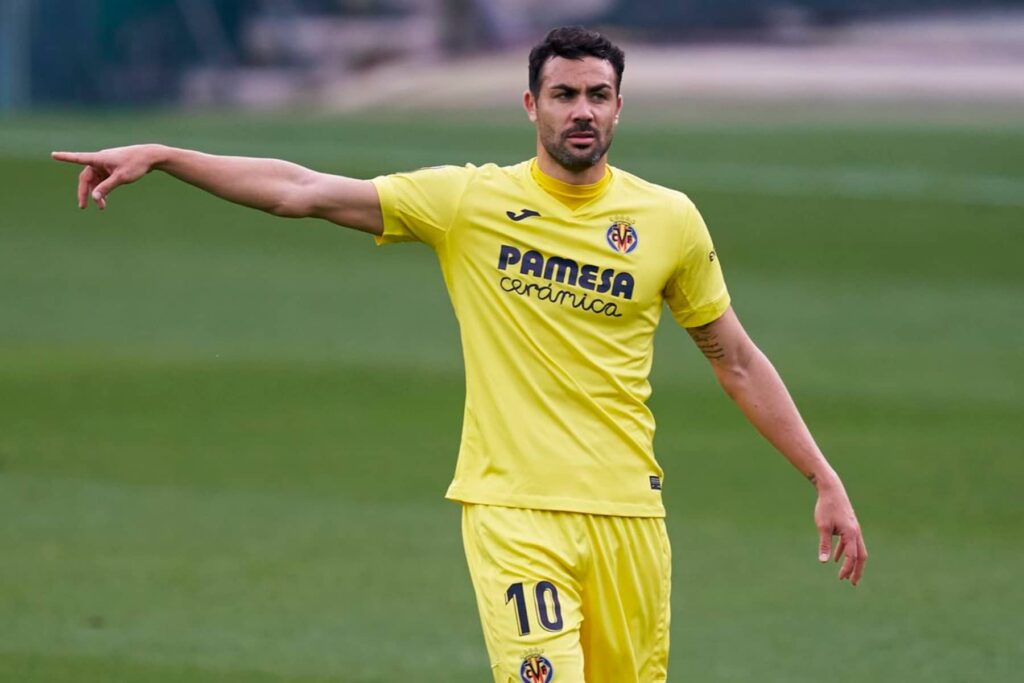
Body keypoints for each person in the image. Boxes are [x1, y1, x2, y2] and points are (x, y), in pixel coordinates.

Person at [52, 25, 866, 683]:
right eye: (564, 95)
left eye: (597, 95)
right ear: (531, 104)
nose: (581, 111)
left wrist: (822, 475)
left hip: (630, 515)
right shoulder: (470, 201)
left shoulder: (669, 221)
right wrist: (169, 156)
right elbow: (302, 190)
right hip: (512, 509)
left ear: (620, 106)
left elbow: (735, 359)